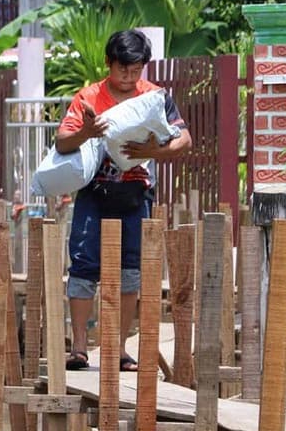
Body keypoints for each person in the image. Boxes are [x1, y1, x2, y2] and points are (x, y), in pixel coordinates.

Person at [53, 29, 192, 372]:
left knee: (132, 270)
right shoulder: (89, 97)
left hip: (136, 191)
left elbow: (184, 139)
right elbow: (62, 143)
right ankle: (80, 348)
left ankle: (118, 348)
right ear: (108, 64)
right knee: (84, 265)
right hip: (93, 191)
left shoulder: (156, 97)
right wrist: (86, 132)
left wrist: (153, 151)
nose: (129, 78)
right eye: (122, 70)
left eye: (136, 70)